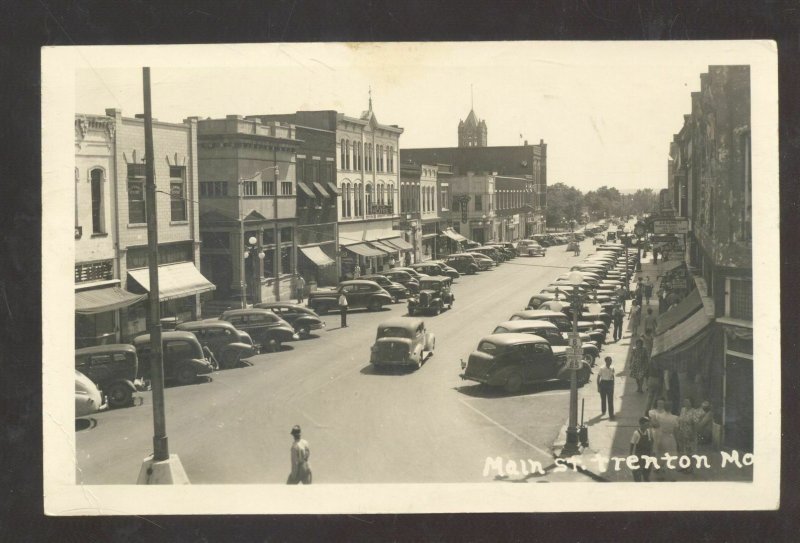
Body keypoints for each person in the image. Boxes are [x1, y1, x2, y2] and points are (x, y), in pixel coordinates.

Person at [676, 398, 700, 471]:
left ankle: (690, 468)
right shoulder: (683, 410)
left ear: (691, 403)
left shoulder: (694, 411)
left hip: (690, 434)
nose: (686, 403)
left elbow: (696, 424)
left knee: (689, 451)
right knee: (683, 451)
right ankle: (684, 466)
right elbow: (680, 421)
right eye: (685, 401)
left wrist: (693, 434)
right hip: (682, 433)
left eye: (688, 402)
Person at [629, 417, 655, 482]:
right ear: (641, 424)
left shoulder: (649, 432)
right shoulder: (636, 433)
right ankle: (638, 481)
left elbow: (651, 441)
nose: (647, 426)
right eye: (645, 425)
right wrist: (630, 454)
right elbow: (632, 444)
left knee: (647, 468)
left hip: (647, 453)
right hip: (639, 454)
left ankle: (646, 478)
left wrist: (652, 451)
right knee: (637, 470)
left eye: (648, 425)